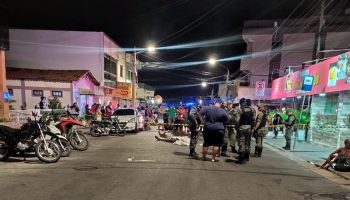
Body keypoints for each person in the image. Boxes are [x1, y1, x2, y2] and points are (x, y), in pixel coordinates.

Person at [237, 98, 255, 164]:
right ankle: (246, 157)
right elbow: (253, 119)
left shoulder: (240, 110)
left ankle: (241, 157)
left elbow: (237, 120)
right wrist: (252, 127)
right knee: (247, 142)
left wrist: (237, 126)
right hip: (249, 128)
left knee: (242, 142)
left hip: (242, 127)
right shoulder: (252, 109)